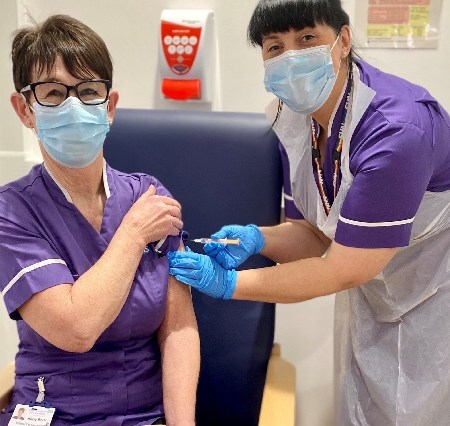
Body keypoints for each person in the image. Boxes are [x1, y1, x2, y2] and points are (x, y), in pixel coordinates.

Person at [167, 0, 450, 424]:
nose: (291, 57)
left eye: (307, 39)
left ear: (343, 40)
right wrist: (256, 238)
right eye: (275, 47)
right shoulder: (295, 120)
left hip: (434, 293)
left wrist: (228, 284)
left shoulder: (395, 131)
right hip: (373, 290)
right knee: (362, 406)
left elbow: (341, 269)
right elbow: (314, 234)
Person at [0, 15, 199, 426]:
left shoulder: (148, 196)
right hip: (54, 414)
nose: (74, 106)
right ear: (24, 110)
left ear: (109, 107)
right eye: (53, 93)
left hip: (145, 416)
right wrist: (134, 233)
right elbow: (77, 328)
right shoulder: (13, 212)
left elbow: (178, 328)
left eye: (89, 90)